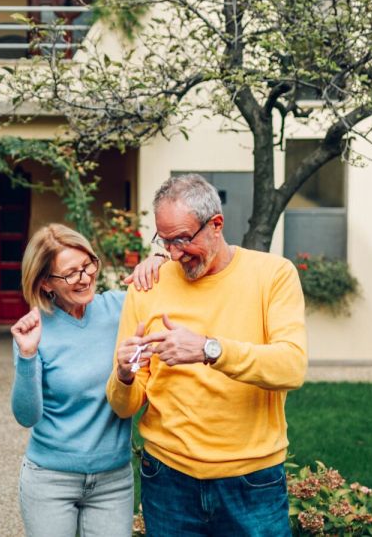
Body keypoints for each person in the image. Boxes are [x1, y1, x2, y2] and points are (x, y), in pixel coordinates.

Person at [106, 174, 308, 537]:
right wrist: (123, 375)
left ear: (216, 224)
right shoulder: (148, 285)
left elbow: (291, 367)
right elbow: (126, 405)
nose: (174, 254)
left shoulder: (273, 275)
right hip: (168, 479)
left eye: (183, 239)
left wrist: (208, 349)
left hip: (252, 481)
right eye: (165, 241)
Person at [10, 223, 165, 537]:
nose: (85, 277)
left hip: (113, 479)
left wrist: (161, 259)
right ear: (45, 283)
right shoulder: (34, 330)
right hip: (50, 480)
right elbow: (27, 416)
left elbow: (177, 290)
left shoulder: (121, 308)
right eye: (71, 273)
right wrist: (27, 356)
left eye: (88, 265)